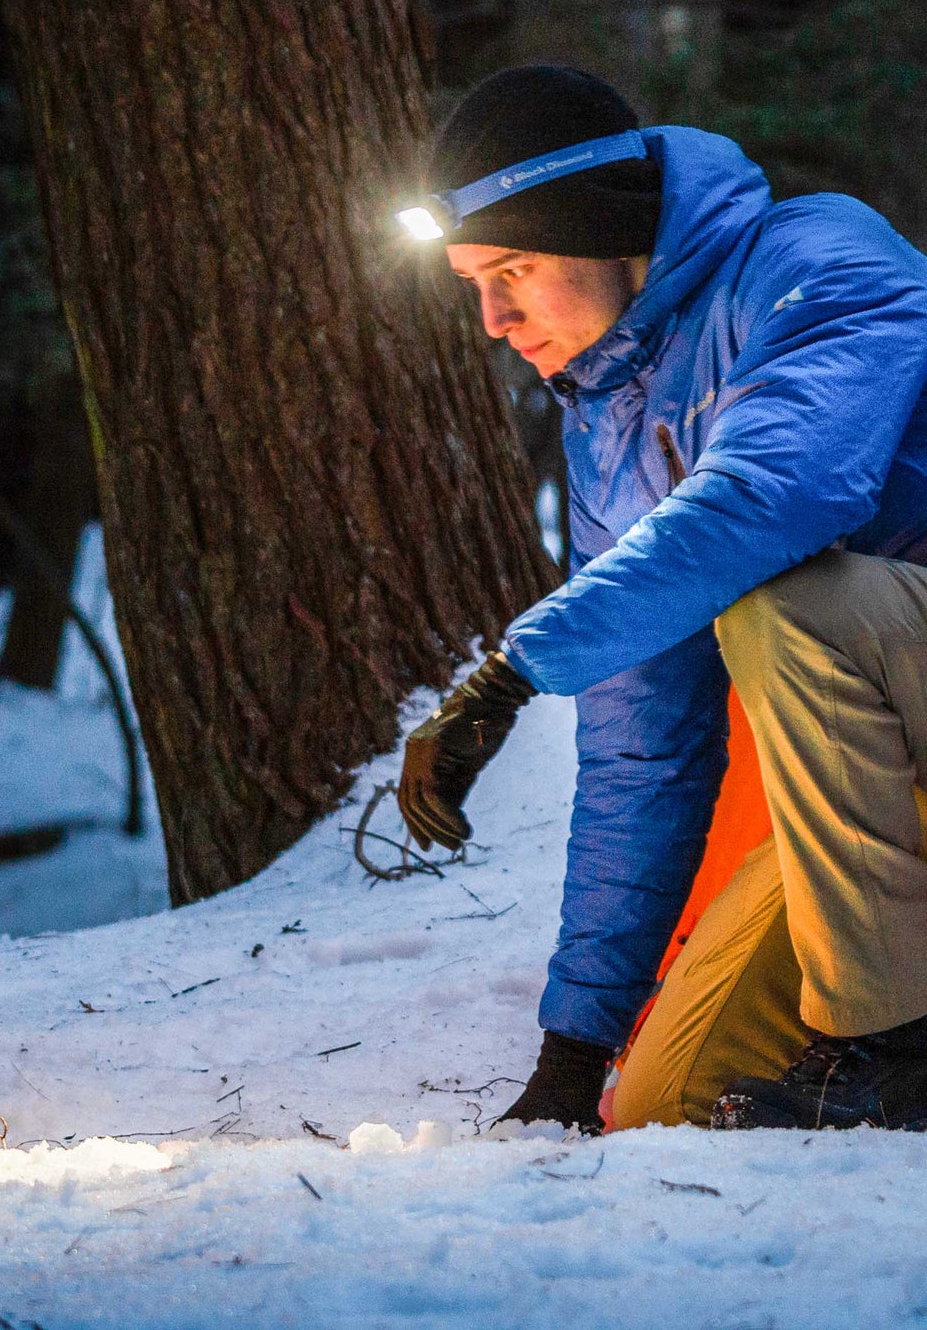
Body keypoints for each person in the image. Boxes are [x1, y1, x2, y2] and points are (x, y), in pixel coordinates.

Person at [396, 65, 927, 1134]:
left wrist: (511, 670)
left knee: (787, 607)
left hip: (890, 683)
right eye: (471, 283)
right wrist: (571, 1049)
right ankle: (861, 1032)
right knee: (664, 1100)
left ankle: (899, 1048)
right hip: (887, 788)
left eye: (515, 268)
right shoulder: (606, 419)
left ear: (601, 232)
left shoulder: (818, 261)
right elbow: (642, 748)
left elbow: (774, 495)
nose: (493, 317)